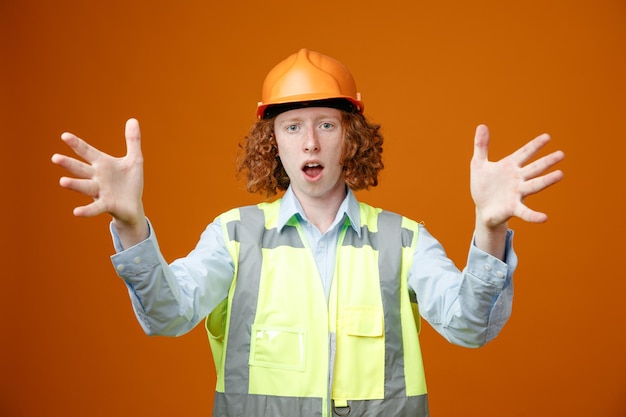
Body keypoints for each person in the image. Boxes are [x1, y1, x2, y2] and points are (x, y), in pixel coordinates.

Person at [51, 48, 564, 417]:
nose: (311, 143)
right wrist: (130, 221)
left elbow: (470, 327)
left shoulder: (403, 241)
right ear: (272, 143)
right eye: (292, 126)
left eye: (327, 124)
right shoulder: (233, 236)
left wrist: (489, 226)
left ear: (351, 139)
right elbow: (167, 315)